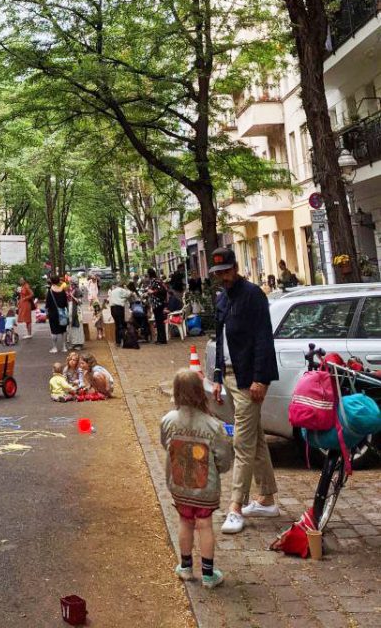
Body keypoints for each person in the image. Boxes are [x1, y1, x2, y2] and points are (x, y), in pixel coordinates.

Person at [208, 247, 280, 535]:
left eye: (226, 271)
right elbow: (220, 338)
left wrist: (260, 378)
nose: (223, 277)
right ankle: (267, 498)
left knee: (242, 442)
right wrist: (215, 375)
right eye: (218, 274)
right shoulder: (223, 299)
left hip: (249, 380)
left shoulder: (252, 295)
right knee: (255, 438)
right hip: (229, 378)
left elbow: (264, 337)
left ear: (235, 268)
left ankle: (236, 507)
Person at [161, 368, 233, 590]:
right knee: (204, 525)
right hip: (205, 487)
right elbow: (224, 457)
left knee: (185, 521)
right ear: (201, 393)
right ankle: (209, 574)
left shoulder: (168, 420)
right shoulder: (213, 426)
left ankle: (185, 567)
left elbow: (166, 444)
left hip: (180, 484)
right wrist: (216, 470)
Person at [45, 276, 70, 353]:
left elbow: (47, 304)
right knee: (63, 330)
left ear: (52, 282)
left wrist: (46, 314)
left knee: (54, 330)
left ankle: (55, 347)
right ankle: (64, 347)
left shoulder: (50, 291)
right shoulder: (62, 291)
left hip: (53, 314)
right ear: (59, 281)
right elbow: (66, 303)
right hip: (62, 313)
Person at [147, 267, 169, 344]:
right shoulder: (157, 280)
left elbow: (161, 290)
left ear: (149, 274)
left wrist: (152, 292)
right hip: (157, 304)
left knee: (159, 321)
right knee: (158, 321)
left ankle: (162, 339)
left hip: (158, 304)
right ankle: (160, 338)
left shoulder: (155, 281)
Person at [108, 279, 132, 348]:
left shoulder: (113, 291)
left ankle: (118, 341)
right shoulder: (121, 290)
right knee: (121, 324)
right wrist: (126, 288)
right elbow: (129, 294)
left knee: (117, 324)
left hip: (112, 309)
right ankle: (124, 340)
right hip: (119, 308)